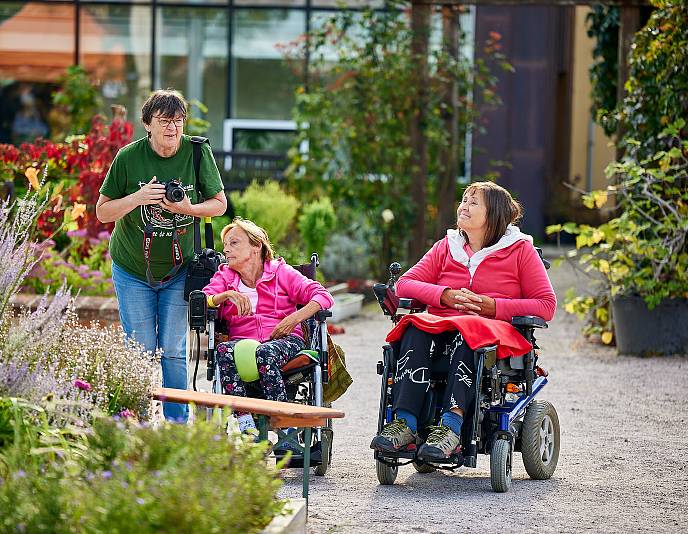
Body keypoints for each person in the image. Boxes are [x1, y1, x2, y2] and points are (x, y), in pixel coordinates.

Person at [370, 181, 556, 461]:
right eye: (464, 200)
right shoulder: (447, 246)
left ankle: (451, 428)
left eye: (473, 202)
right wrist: (445, 296)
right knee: (413, 326)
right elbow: (405, 284)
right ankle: (405, 424)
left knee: (470, 331)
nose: (463, 206)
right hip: (443, 327)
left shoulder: (519, 250)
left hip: (492, 333)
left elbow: (546, 305)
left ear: (493, 215)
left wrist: (493, 306)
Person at [96, 89, 227, 422]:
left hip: (179, 269)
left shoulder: (197, 153)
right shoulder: (128, 157)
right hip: (132, 269)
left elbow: (220, 203)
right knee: (139, 350)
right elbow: (103, 212)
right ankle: (136, 420)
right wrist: (139, 197)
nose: (173, 127)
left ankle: (177, 424)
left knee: (173, 349)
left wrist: (188, 208)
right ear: (147, 125)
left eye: (178, 120)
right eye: (164, 120)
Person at [202, 218, 334, 435]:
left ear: (256, 246)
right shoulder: (225, 276)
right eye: (225, 245)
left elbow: (323, 296)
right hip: (242, 344)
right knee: (223, 351)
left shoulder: (281, 272)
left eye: (234, 243)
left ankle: (282, 423)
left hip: (286, 341)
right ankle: (247, 425)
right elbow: (201, 299)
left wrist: (293, 319)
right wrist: (225, 295)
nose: (226, 250)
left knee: (264, 352)